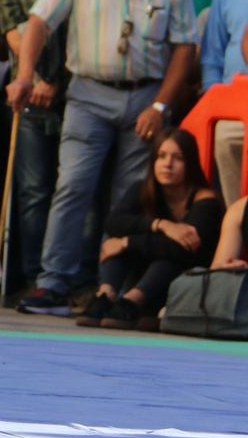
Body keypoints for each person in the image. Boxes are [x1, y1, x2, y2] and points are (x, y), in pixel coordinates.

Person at [8, 0, 198, 316]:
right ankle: (52, 282)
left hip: (146, 96)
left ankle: (111, 286)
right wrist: (24, 76)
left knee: (128, 197)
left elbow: (185, 47)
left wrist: (161, 107)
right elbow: (39, 21)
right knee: (73, 185)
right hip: (89, 93)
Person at [77, 127, 221, 330]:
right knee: (113, 241)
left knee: (163, 254)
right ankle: (105, 295)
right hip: (144, 274)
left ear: (190, 164)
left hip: (183, 282)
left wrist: (127, 243)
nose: (167, 164)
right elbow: (114, 222)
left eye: (177, 158)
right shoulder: (142, 189)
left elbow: (184, 249)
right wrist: (160, 224)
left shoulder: (206, 201)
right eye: (161, 156)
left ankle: (131, 302)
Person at [0, 0, 70, 289]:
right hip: (28, 99)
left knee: (71, 191)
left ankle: (67, 278)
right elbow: (15, 36)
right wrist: (37, 80)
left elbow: (80, 36)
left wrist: (56, 82)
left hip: (72, 95)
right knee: (32, 191)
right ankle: (28, 278)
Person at [199, 0, 248, 203]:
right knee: (224, 138)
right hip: (233, 105)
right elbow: (212, 55)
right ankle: (236, 219)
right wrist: (214, 104)